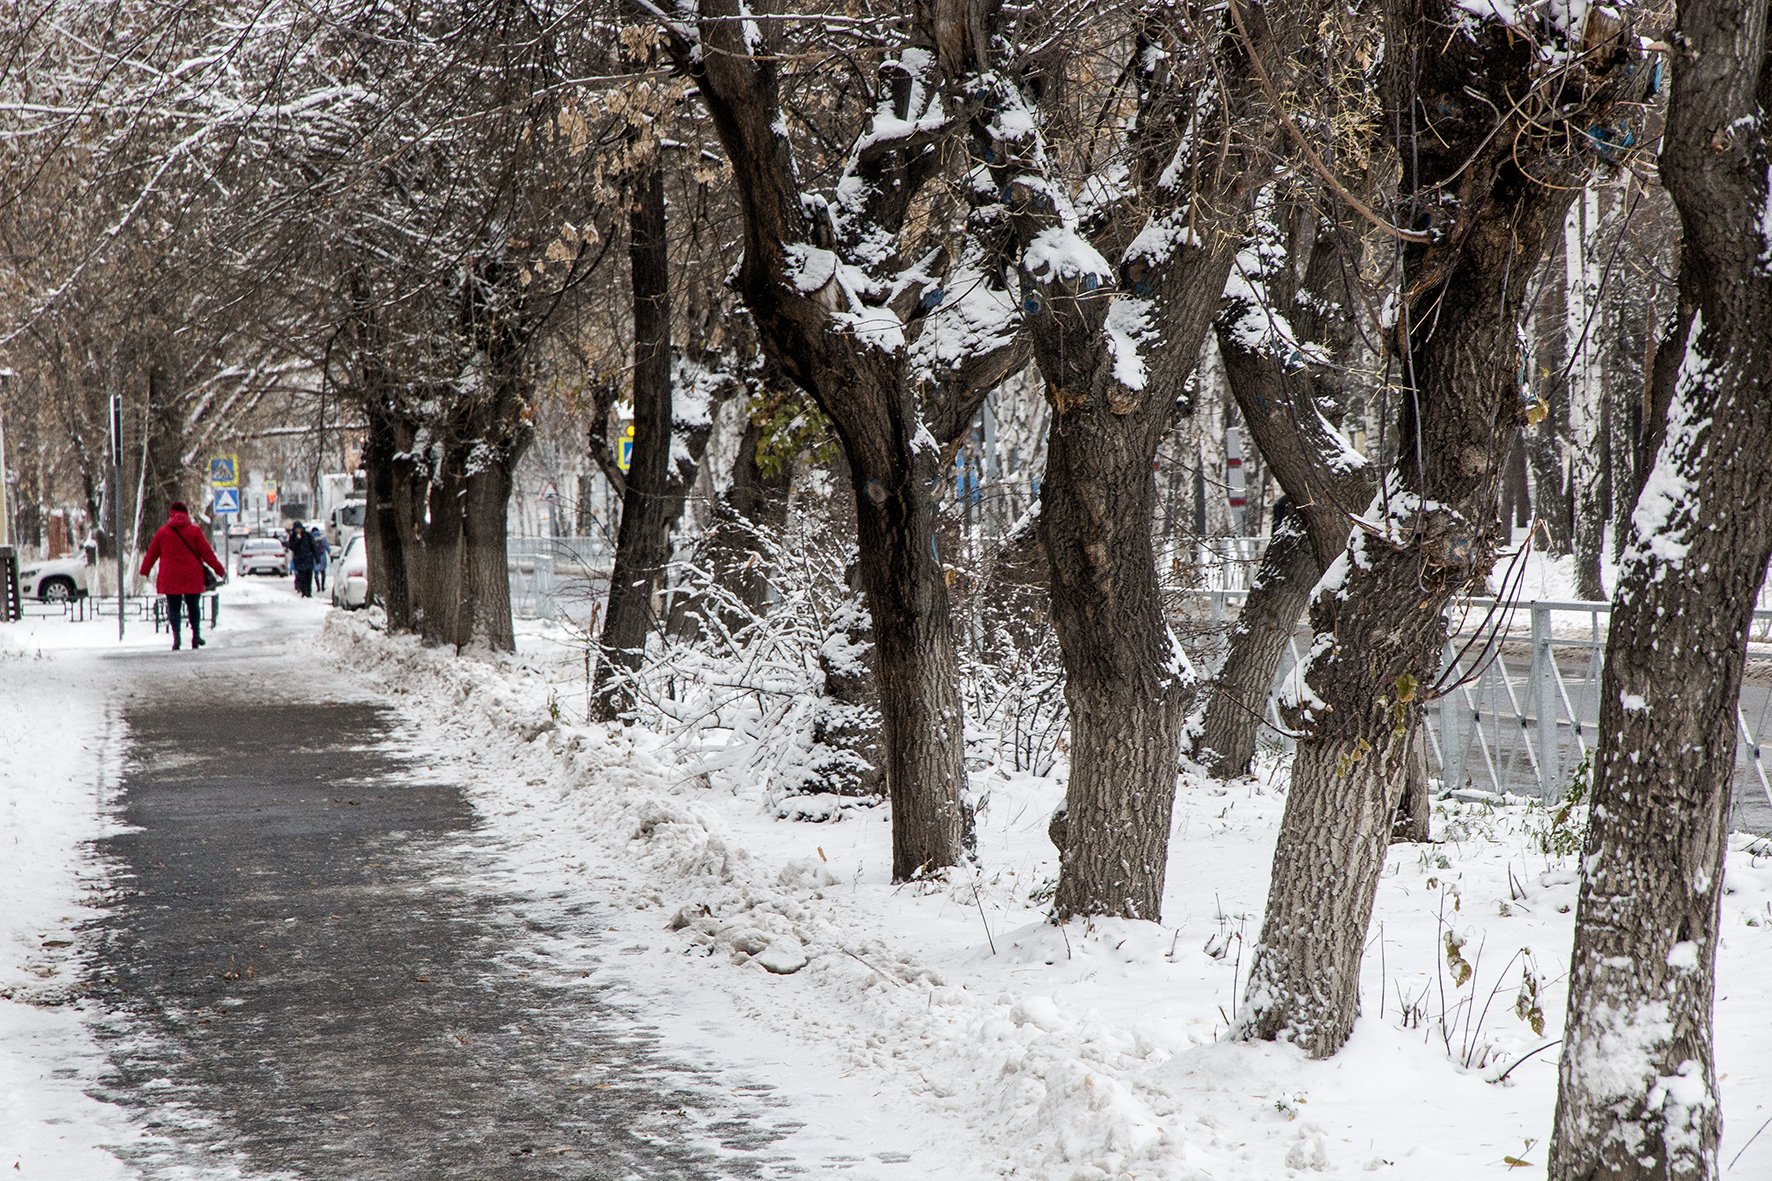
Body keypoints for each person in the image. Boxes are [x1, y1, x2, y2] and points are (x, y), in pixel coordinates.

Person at [140, 501, 226, 651]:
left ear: (171, 514)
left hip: (170, 577)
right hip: (192, 576)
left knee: (173, 608)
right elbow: (207, 554)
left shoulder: (162, 532)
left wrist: (144, 571)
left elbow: (151, 554)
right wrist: (220, 570)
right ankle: (196, 636)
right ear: (186, 514)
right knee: (194, 607)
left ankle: (177, 638)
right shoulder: (195, 531)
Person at [286, 522, 318, 598]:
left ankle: (308, 592)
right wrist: (298, 539)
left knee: (308, 576)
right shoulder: (293, 537)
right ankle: (303, 591)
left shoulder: (307, 535)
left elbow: (313, 546)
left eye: (299, 528)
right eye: (297, 529)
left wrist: (316, 557)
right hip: (299, 560)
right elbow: (292, 547)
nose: (298, 530)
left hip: (308, 559)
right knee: (301, 577)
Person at [311, 527, 331, 593]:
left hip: (314, 557)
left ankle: (318, 587)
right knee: (323, 572)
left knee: (316, 572)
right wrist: (330, 554)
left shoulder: (311, 538)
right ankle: (323, 586)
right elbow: (327, 546)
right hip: (322, 556)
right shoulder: (322, 537)